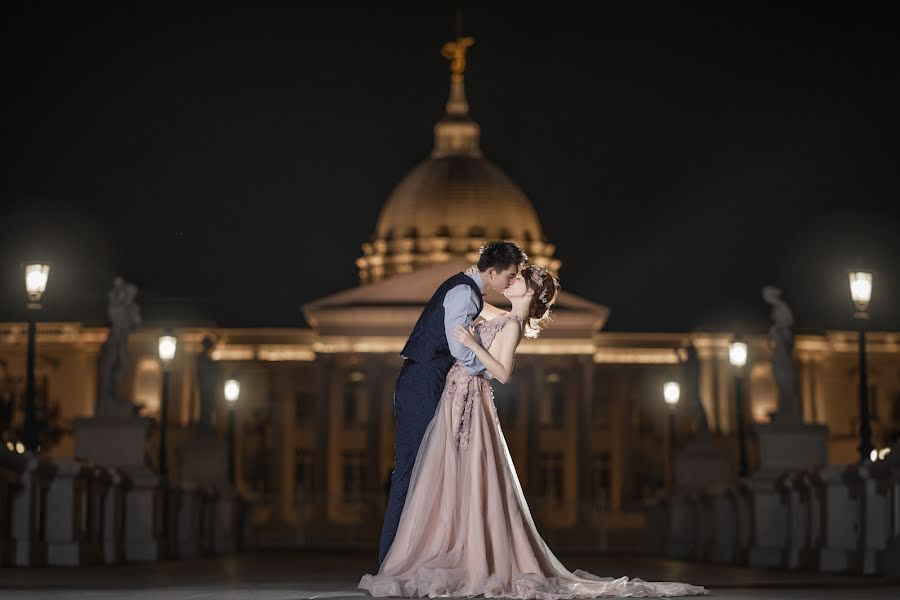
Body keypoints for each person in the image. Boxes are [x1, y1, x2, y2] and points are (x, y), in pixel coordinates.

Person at [361, 265, 707, 598]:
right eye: (511, 274)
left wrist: (472, 342)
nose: (511, 279)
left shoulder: (513, 323)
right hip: (456, 397)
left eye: (519, 278)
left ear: (530, 291)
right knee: (451, 473)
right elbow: (472, 300)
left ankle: (467, 553)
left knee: (463, 471)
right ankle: (448, 545)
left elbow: (502, 372)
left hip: (470, 399)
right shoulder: (504, 314)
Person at [377, 241, 528, 564]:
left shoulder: (471, 290)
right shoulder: (465, 293)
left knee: (431, 471)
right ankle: (393, 559)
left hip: (433, 383)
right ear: (491, 272)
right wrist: (479, 370)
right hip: (425, 382)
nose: (511, 282)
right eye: (510, 275)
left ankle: (418, 555)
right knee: (414, 470)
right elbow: (459, 346)